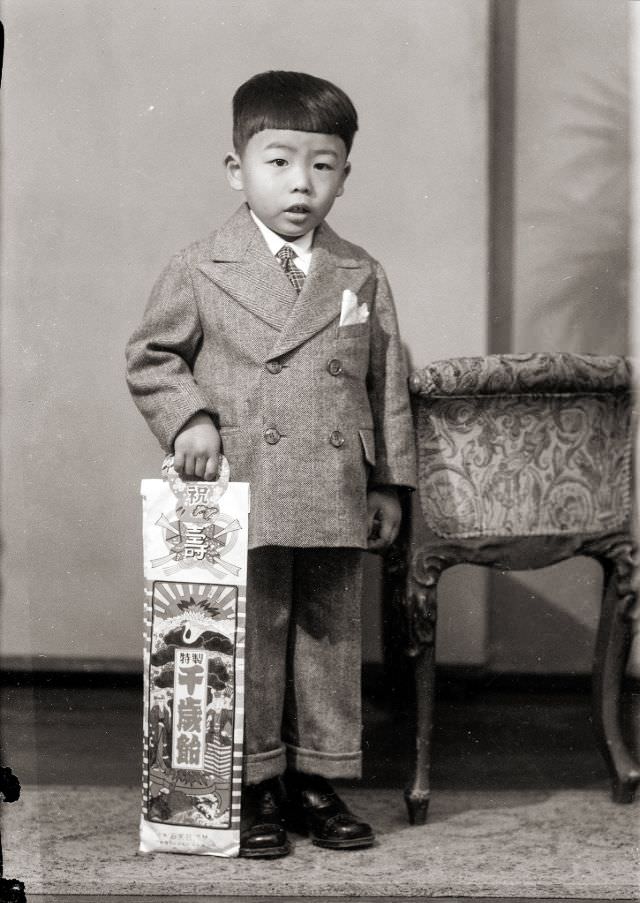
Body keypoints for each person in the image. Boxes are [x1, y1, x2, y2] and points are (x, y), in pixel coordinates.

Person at [126, 70, 416, 858]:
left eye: (322, 166)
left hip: (331, 483)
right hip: (243, 480)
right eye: (279, 162)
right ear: (237, 170)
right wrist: (190, 418)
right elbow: (153, 357)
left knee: (328, 633)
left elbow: (385, 382)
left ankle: (316, 779)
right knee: (253, 630)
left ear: (344, 177)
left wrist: (389, 480)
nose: (301, 183)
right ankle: (252, 781)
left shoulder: (360, 271)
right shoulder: (200, 266)